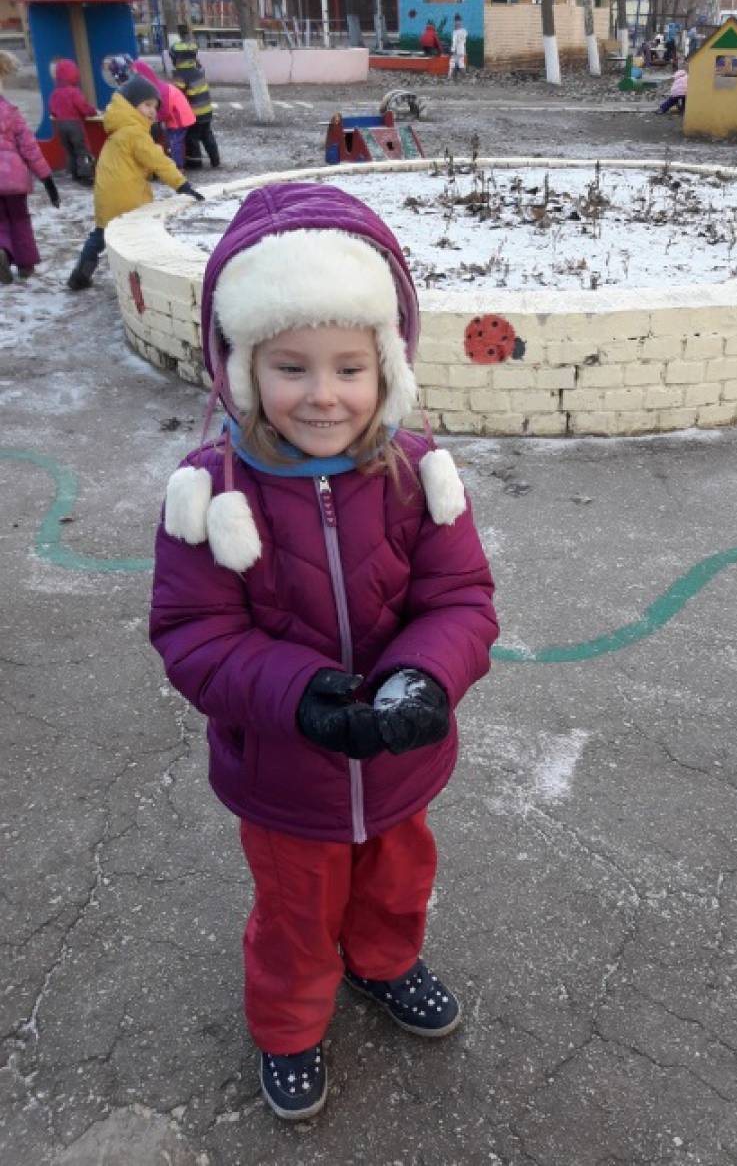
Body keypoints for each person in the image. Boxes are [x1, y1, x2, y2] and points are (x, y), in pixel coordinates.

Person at [149, 180, 499, 1122]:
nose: (322, 394)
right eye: (290, 366)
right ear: (240, 367)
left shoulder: (418, 472)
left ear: (388, 364)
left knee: (397, 880)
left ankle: (384, 962)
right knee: (296, 916)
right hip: (285, 774)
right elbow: (193, 634)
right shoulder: (209, 493)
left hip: (399, 759)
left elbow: (461, 597)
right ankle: (291, 1024)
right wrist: (300, 694)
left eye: (349, 366)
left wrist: (427, 673)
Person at [67, 75, 203, 290]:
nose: (151, 111)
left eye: (155, 107)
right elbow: (157, 161)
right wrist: (181, 184)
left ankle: (81, 274)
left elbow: (141, 160)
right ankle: (144, 280)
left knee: (100, 235)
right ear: (131, 104)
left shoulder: (120, 130)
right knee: (138, 237)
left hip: (106, 195)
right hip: (127, 196)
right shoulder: (134, 133)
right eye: (147, 104)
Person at [0, 50, 60, 284]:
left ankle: (3, 251)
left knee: (1, 221)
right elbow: (29, 149)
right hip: (14, 179)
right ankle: (25, 265)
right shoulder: (11, 113)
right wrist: (48, 180)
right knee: (20, 220)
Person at [170, 27, 220, 170]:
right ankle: (215, 159)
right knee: (207, 135)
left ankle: (195, 162)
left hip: (194, 114)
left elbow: (177, 94)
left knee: (192, 138)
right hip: (206, 111)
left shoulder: (181, 75)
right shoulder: (198, 70)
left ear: (176, 58)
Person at [132, 59, 196, 169]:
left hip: (179, 119)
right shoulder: (157, 87)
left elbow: (164, 110)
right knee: (173, 141)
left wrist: (153, 119)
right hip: (178, 117)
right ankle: (178, 162)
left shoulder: (161, 91)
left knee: (174, 142)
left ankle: (178, 167)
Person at [48, 58, 96, 184]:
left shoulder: (55, 93)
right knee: (82, 150)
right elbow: (83, 107)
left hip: (60, 125)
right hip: (74, 124)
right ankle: (86, 176)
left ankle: (74, 173)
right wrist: (93, 111)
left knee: (69, 150)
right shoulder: (74, 92)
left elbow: (52, 109)